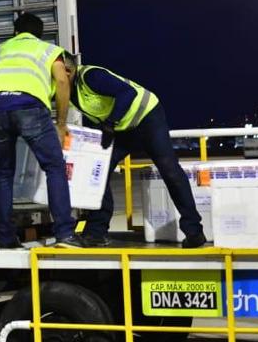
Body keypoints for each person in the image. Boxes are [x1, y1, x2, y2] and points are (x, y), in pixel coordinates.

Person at [0, 13, 83, 248]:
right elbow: (63, 81)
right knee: (54, 166)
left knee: (3, 172)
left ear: (15, 32)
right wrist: (61, 123)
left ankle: (6, 238)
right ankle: (65, 234)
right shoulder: (48, 49)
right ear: (39, 33)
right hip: (28, 106)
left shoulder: (1, 50)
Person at [62, 55, 206, 248]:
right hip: (123, 128)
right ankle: (96, 232)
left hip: (147, 117)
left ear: (68, 72)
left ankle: (194, 231)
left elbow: (127, 93)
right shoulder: (71, 92)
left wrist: (110, 123)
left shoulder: (91, 76)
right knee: (98, 170)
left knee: (169, 170)